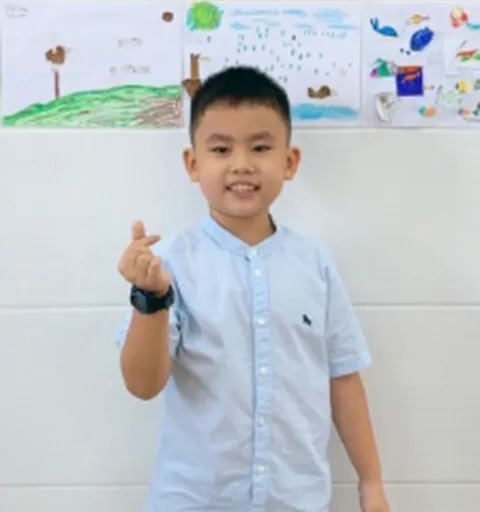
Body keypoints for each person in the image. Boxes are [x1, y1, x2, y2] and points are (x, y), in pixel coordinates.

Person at [115, 66, 389, 512]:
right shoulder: (171, 266)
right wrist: (150, 300)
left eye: (260, 147)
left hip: (296, 500)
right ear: (193, 164)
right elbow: (143, 385)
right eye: (221, 149)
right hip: (193, 501)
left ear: (289, 162)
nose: (241, 164)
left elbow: (343, 377)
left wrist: (371, 482)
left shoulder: (314, 263)